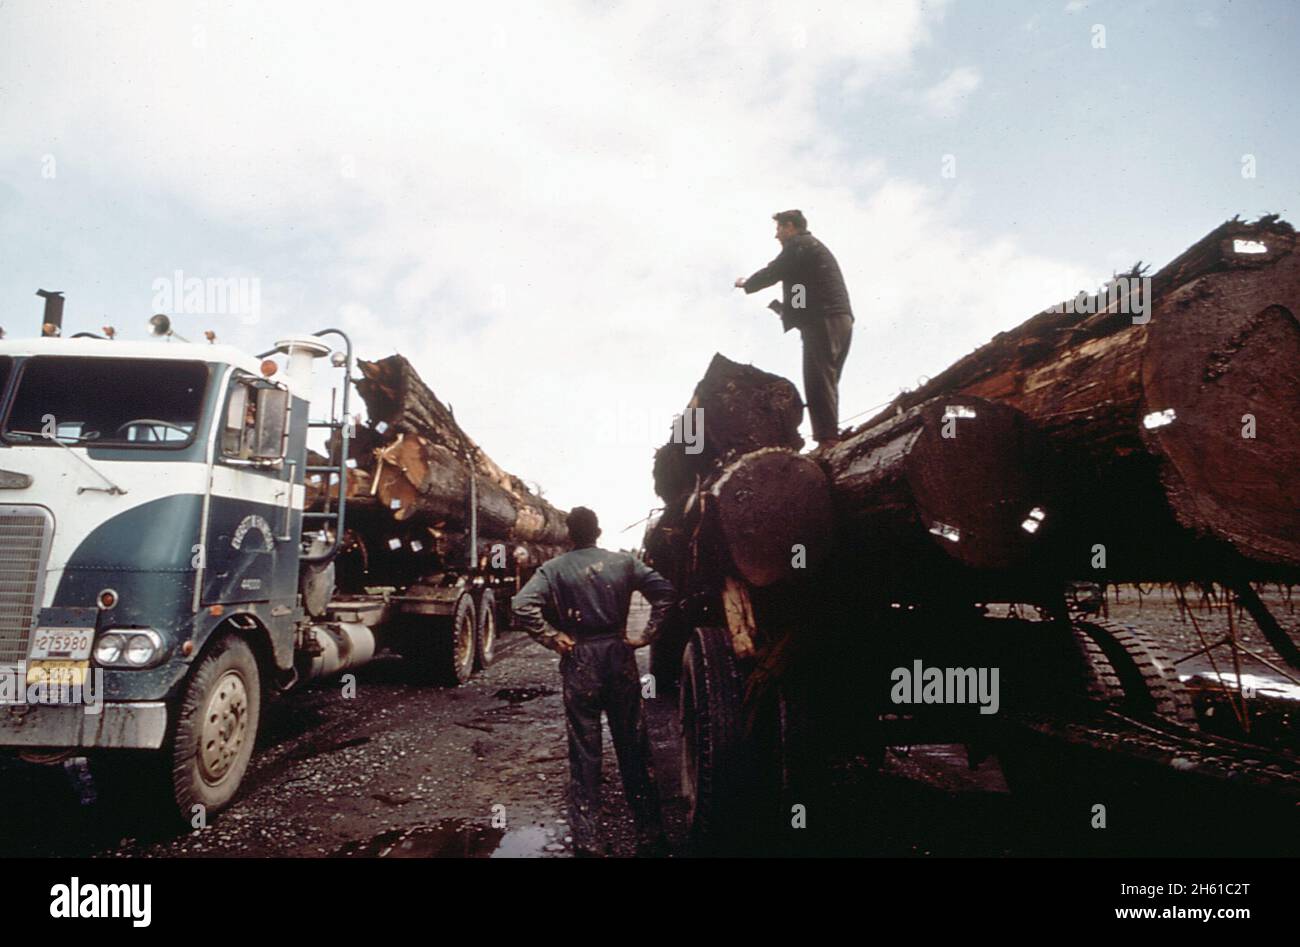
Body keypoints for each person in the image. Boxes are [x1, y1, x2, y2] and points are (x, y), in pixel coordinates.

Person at [511, 506, 676, 857]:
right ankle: (650, 833)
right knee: (633, 745)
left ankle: (588, 841)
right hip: (619, 657)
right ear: (598, 532)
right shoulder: (625, 563)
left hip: (580, 658)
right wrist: (647, 634)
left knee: (585, 753)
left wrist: (553, 638)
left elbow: (522, 605)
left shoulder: (553, 569)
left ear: (569, 535)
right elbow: (665, 592)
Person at [735, 209, 854, 447]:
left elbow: (774, 271)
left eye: (779, 229)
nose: (776, 235)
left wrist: (747, 283)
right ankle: (830, 434)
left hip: (823, 320)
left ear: (790, 227)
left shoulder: (799, 245)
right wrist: (787, 312)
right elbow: (799, 291)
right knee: (827, 380)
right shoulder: (809, 250)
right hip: (839, 320)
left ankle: (828, 439)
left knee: (818, 380)